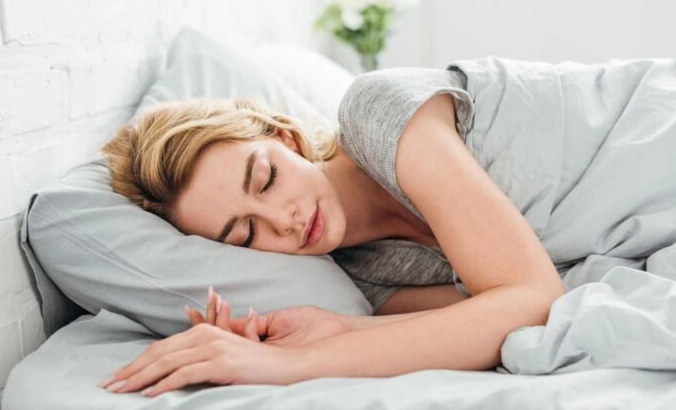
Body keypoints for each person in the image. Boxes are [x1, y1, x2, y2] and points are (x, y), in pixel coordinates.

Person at [96, 68, 567, 397]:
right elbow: (490, 321)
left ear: (286, 136)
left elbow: (531, 296)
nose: (284, 221)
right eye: (245, 235)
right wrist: (340, 330)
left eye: (267, 180)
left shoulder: (378, 114)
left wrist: (285, 366)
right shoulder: (364, 276)